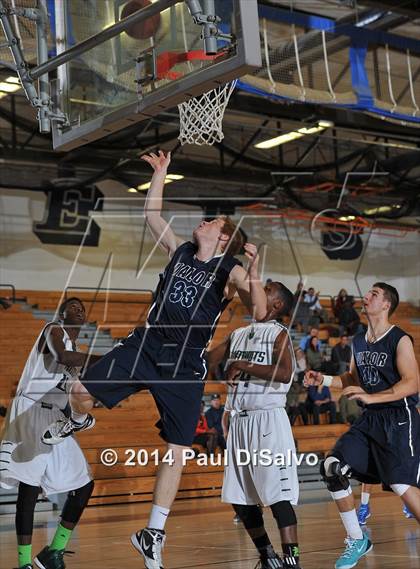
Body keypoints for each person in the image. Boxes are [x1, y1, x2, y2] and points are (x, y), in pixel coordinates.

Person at [41, 150, 267, 569]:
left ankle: (153, 532)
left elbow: (257, 311)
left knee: (178, 449)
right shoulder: (181, 251)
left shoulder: (229, 269)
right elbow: (152, 216)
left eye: (213, 221)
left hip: (184, 363)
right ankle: (79, 418)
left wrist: (253, 271)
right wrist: (160, 174)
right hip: (146, 344)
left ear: (224, 237)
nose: (205, 220)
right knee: (78, 391)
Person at [305, 282, 420, 569]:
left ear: (386, 305)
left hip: (398, 418)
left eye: (374, 294)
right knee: (331, 467)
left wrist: (372, 396)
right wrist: (325, 379)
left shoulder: (400, 339)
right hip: (369, 420)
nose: (366, 296)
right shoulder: (358, 339)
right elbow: (352, 378)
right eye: (367, 292)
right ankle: (357, 539)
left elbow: (412, 383)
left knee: (401, 484)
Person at [208, 281, 303, 569]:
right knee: (241, 498)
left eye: (268, 288)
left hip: (267, 421)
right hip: (238, 421)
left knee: (278, 496)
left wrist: (243, 364)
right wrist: (213, 313)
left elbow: (286, 373)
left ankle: (292, 561)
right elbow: (207, 360)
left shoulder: (278, 333)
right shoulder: (237, 333)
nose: (260, 289)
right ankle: (267, 556)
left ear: (276, 306)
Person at [0, 298, 98, 569]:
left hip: (54, 417)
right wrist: (106, 359)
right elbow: (61, 356)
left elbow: (69, 392)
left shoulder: (76, 352)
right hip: (30, 409)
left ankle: (53, 552)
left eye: (82, 309)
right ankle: (23, 564)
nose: (78, 310)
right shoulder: (53, 330)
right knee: (28, 491)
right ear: (61, 313)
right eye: (72, 307)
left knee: (85, 484)